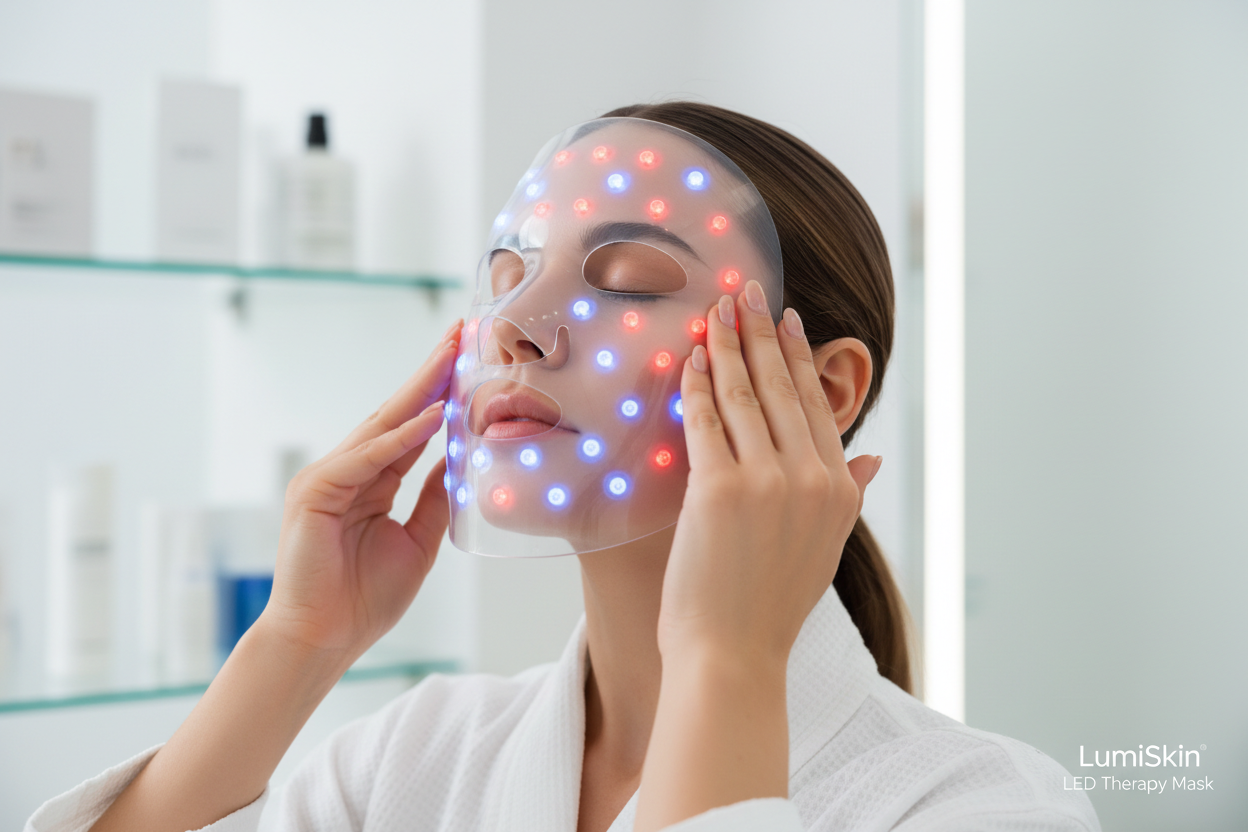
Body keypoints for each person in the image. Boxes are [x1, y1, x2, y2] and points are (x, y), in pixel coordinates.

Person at [29, 102, 1100, 832]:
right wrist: (295, 645)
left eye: (628, 280)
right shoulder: (414, 758)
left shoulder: (980, 805)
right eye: (506, 275)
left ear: (822, 393)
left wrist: (725, 662)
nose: (520, 327)